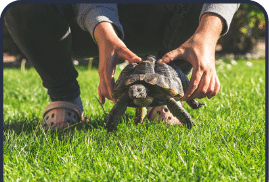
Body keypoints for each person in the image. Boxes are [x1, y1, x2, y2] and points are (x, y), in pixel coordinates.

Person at [4, 3, 240, 130]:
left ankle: (167, 101)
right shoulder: (131, 93)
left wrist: (209, 33)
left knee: (167, 97)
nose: (136, 92)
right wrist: (103, 28)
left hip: (165, 21)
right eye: (136, 91)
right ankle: (64, 96)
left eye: (137, 92)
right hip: (85, 23)